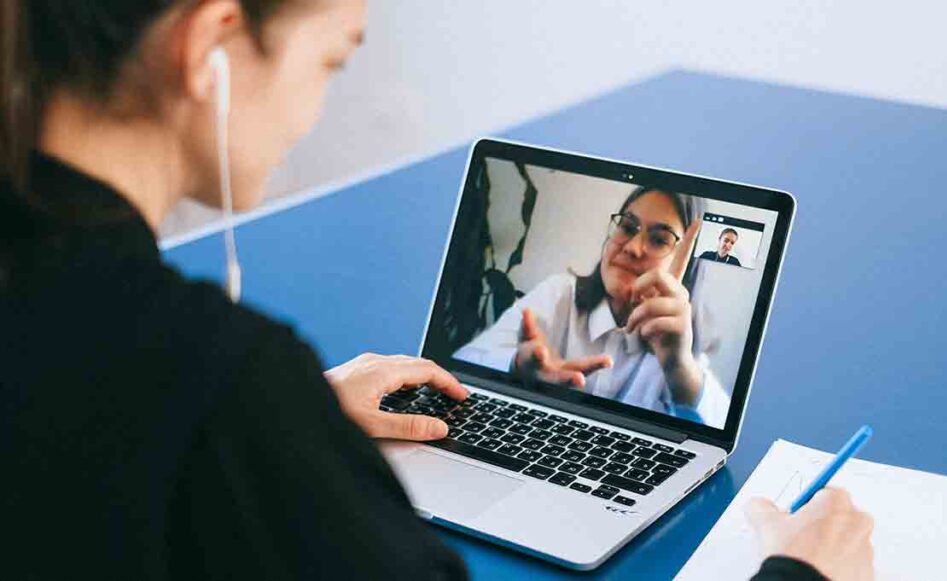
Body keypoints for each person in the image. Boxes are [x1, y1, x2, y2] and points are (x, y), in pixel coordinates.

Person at [0, 1, 874, 579]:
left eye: (661, 235)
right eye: (332, 62)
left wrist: (300, 420)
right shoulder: (227, 385)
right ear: (212, 46)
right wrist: (797, 574)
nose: (313, 113)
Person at [456, 186, 732, 427]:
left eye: (659, 239)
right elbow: (463, 361)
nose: (633, 248)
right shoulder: (559, 293)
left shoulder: (679, 346)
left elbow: (721, 432)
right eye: (627, 227)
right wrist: (517, 365)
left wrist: (678, 366)